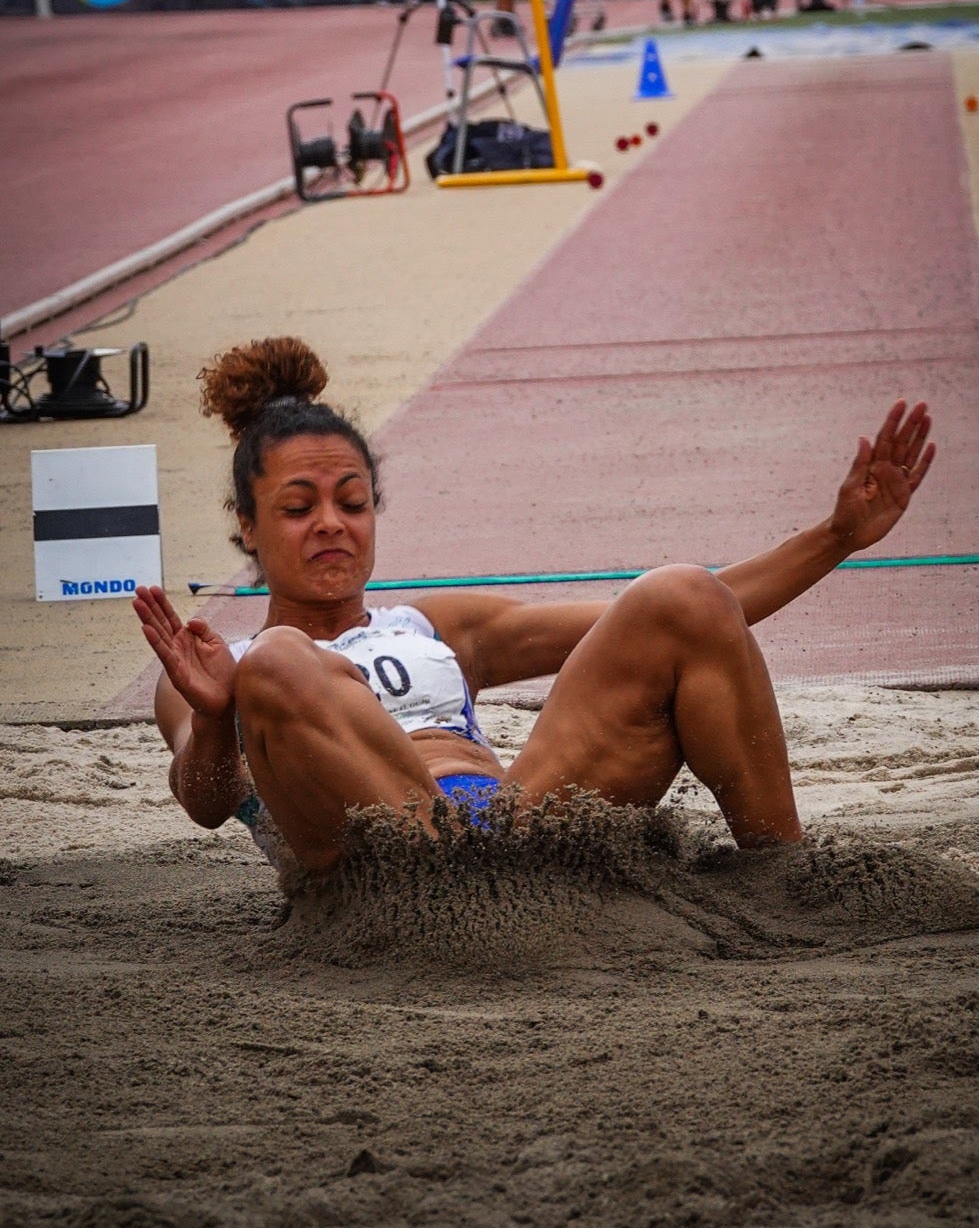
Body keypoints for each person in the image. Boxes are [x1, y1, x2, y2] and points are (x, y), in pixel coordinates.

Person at [134, 337, 935, 877]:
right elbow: (205, 804)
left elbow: (696, 620)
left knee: (677, 589)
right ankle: (450, 883)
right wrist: (214, 717)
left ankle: (782, 875)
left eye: (352, 501)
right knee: (279, 658)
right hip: (378, 870)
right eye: (298, 507)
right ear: (247, 523)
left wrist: (835, 537)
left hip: (513, 835)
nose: (332, 525)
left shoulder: (431, 625)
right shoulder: (213, 663)